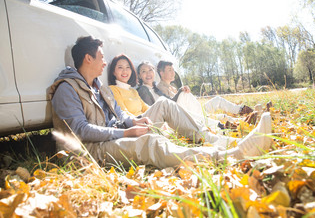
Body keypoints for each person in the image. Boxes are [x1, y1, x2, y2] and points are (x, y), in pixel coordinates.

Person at [49, 36, 272, 169]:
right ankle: (228, 156)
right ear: (89, 58)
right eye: (102, 56)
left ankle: (215, 140)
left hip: (114, 133)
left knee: (164, 105)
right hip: (89, 150)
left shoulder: (100, 89)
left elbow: (120, 114)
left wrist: (135, 121)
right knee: (150, 142)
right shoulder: (67, 89)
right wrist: (126, 134)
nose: (105, 61)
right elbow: (80, 130)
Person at [156, 61, 254, 118]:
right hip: (187, 115)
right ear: (161, 73)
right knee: (216, 117)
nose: (173, 73)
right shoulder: (160, 88)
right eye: (169, 70)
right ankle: (242, 119)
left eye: (173, 70)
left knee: (218, 100)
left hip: (196, 110)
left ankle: (242, 110)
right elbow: (171, 106)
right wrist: (181, 91)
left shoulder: (172, 87)